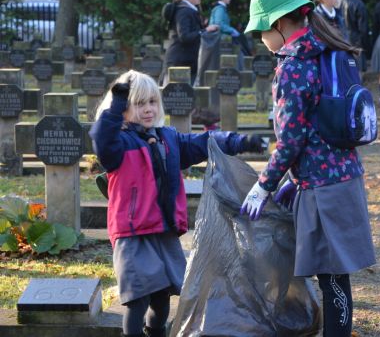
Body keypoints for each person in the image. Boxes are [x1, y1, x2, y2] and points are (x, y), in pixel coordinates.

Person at [241, 0, 376, 336]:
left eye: (262, 31)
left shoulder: (293, 66)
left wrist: (263, 186)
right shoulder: (328, 49)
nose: (262, 39)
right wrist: (290, 180)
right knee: (334, 277)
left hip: (322, 189)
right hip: (343, 177)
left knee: (331, 280)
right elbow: (318, 126)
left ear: (280, 23)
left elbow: (291, 140)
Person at [89, 70, 265, 337]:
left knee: (162, 299)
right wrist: (116, 103)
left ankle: (156, 333)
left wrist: (241, 141)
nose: (148, 109)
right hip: (133, 233)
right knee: (137, 300)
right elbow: (102, 138)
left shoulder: (167, 138)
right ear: (123, 108)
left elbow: (204, 142)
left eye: (152, 102)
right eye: (138, 103)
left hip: (164, 230)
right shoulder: (119, 144)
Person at [160, 0, 219, 86]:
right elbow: (184, 37)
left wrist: (203, 27)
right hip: (178, 63)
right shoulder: (184, 11)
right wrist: (205, 30)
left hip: (188, 62)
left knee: (188, 99)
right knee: (174, 99)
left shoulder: (190, 10)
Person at [340, 0, 369, 72]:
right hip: (356, 44)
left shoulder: (335, 2)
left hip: (338, 42)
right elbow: (363, 29)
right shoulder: (358, 4)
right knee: (356, 74)